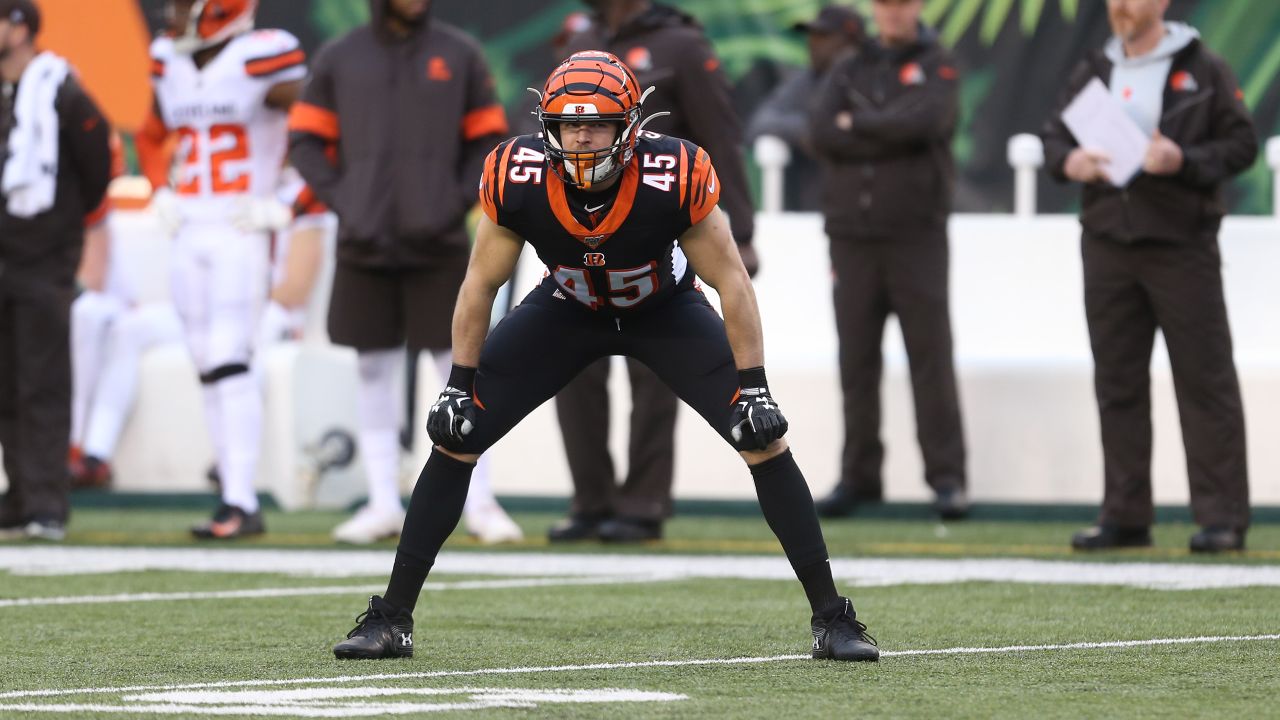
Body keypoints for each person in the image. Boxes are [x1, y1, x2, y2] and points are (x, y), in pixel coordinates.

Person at [329, 51, 879, 663]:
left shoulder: (675, 172)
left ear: (631, 128)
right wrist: (459, 382)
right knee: (459, 435)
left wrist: (754, 385)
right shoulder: (518, 175)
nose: (582, 137)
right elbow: (479, 284)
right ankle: (391, 618)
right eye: (569, 123)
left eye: (596, 124)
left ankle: (833, 618)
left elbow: (732, 284)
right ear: (549, 126)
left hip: (664, 312)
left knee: (761, 440)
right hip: (567, 310)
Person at [288, 0, 522, 545]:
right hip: (363, 240)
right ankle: (381, 503)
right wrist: (348, 200)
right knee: (373, 367)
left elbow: (490, 138)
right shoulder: (341, 57)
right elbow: (304, 139)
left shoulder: (457, 53)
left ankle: (479, 503)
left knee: (459, 366)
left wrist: (449, 201)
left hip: (439, 240)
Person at [1043, 0, 1254, 553]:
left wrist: (1180, 158)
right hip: (1108, 242)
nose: (1120, 6)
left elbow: (1241, 145)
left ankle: (1222, 517)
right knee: (1117, 383)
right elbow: (1053, 139)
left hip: (1182, 243)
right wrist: (1071, 163)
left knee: (1205, 380)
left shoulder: (1203, 67)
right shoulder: (1093, 68)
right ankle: (1125, 514)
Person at [547, 0, 759, 543]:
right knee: (570, 367)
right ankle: (590, 500)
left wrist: (745, 231)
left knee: (657, 371)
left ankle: (642, 504)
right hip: (579, 232)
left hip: (658, 232)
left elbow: (721, 135)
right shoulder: (579, 39)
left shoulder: (682, 45)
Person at [136, 0, 307, 539]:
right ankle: (232, 494)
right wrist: (157, 184)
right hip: (188, 224)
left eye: (187, 3)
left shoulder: (266, 56)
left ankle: (241, 498)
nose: (174, 11)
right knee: (205, 358)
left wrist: (291, 201)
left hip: (241, 222)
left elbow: (326, 125)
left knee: (232, 356)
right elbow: (150, 131)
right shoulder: (168, 57)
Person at [809, 0, 969, 521]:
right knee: (856, 360)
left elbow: (925, 123)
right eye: (884, 4)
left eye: (902, 4)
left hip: (915, 235)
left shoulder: (938, 64)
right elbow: (820, 131)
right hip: (851, 237)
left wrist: (857, 122)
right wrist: (882, 126)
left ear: (916, 8)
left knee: (930, 356)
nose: (893, 13)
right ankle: (860, 476)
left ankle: (947, 479)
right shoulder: (848, 66)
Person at [0, 0, 112, 541]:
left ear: (20, 27)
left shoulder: (60, 88)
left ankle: (46, 502)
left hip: (42, 254)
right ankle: (19, 495)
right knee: (7, 381)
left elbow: (97, 163)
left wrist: (61, 223)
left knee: (41, 380)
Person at [69, 134, 184, 489]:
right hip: (140, 311)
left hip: (209, 314)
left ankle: (90, 451)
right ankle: (81, 449)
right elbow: (97, 279)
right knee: (89, 315)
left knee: (120, 328)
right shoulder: (98, 203)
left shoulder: (247, 203)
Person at [746, 5, 863, 212]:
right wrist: (808, 130)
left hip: (867, 203)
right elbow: (760, 121)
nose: (812, 43)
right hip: (813, 209)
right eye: (812, 36)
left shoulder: (871, 79)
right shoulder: (809, 79)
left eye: (823, 36)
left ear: (850, 43)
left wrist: (821, 131)